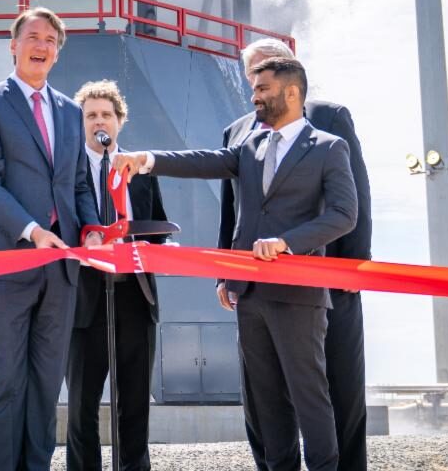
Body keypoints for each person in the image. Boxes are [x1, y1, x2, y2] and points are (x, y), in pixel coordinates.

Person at [115, 57, 356, 471]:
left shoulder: (329, 148)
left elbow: (343, 215)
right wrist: (147, 159)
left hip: (299, 295)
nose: (254, 96)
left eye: (262, 88)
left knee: (309, 397)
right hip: (250, 295)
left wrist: (287, 242)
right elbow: (204, 161)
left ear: (292, 92)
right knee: (266, 401)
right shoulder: (250, 146)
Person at [0, 7, 102, 471]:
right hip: (7, 261)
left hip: (61, 268)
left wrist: (92, 229)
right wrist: (31, 229)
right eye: (33, 37)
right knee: (9, 379)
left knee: (46, 382)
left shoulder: (69, 110)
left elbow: (79, 183)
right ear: (13, 45)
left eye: (51, 41)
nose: (41, 46)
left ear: (57, 53)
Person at [220, 38, 373, 471]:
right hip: (254, 284)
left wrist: (351, 272)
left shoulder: (327, 120)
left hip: (325, 278)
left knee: (333, 388)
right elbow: (233, 209)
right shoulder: (236, 132)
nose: (255, 85)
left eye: (263, 75)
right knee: (264, 394)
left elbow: (353, 201)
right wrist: (224, 271)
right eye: (250, 75)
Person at [66, 80, 170, 471]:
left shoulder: (141, 172)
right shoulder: (67, 172)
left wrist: (165, 249)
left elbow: (157, 228)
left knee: (135, 402)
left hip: (135, 298)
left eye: (105, 114)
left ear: (119, 121)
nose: (98, 121)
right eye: (90, 115)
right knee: (81, 405)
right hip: (84, 301)